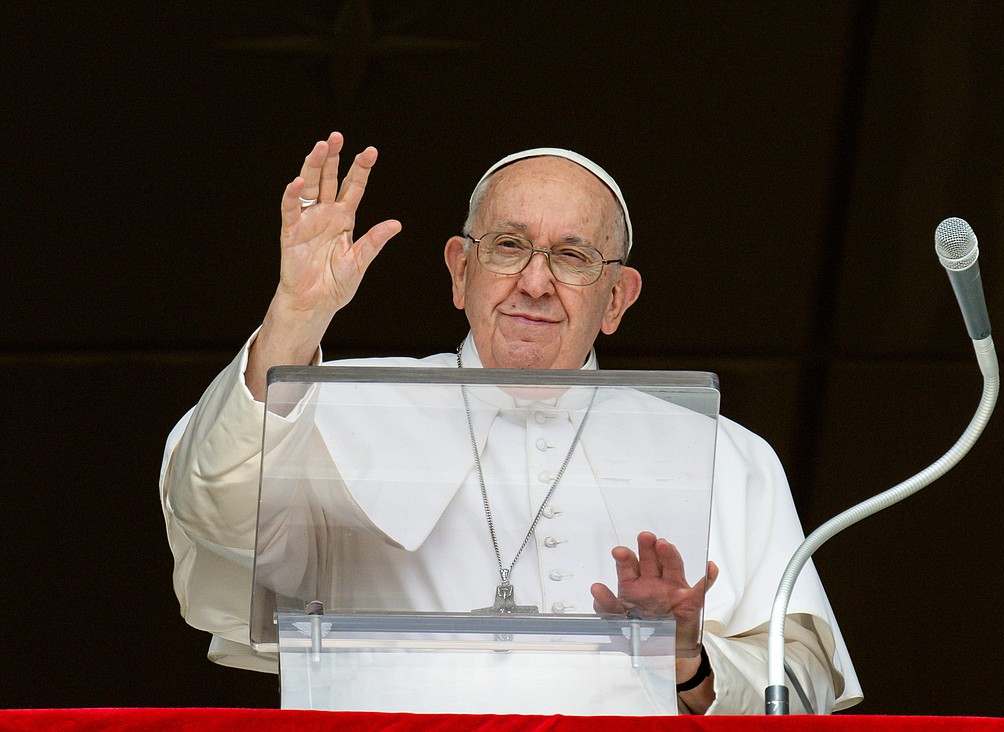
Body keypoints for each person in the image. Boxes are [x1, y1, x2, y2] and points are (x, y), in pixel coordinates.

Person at [160, 132, 862, 714]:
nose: (534, 282)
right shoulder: (337, 408)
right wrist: (296, 316)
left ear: (617, 298)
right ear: (460, 271)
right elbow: (219, 513)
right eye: (507, 246)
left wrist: (689, 661)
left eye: (573, 256)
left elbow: (798, 690)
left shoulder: (724, 455)